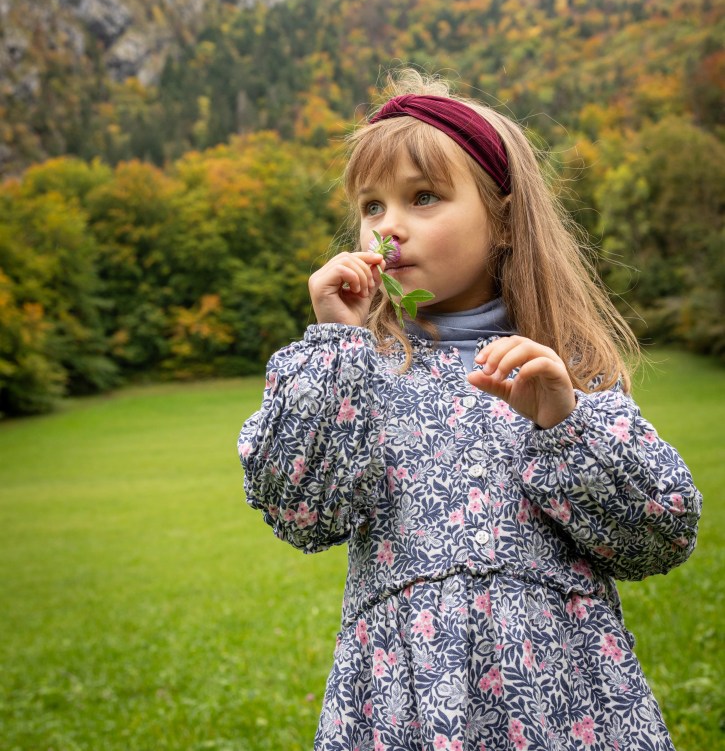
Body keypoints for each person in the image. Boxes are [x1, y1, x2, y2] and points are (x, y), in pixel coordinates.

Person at [237, 71, 701, 751]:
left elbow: (659, 534)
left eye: (422, 196)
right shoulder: (358, 374)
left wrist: (564, 423)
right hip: (403, 705)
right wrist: (337, 340)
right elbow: (299, 509)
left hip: (561, 703)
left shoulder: (559, 370)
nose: (386, 225)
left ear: (505, 218)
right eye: (371, 206)